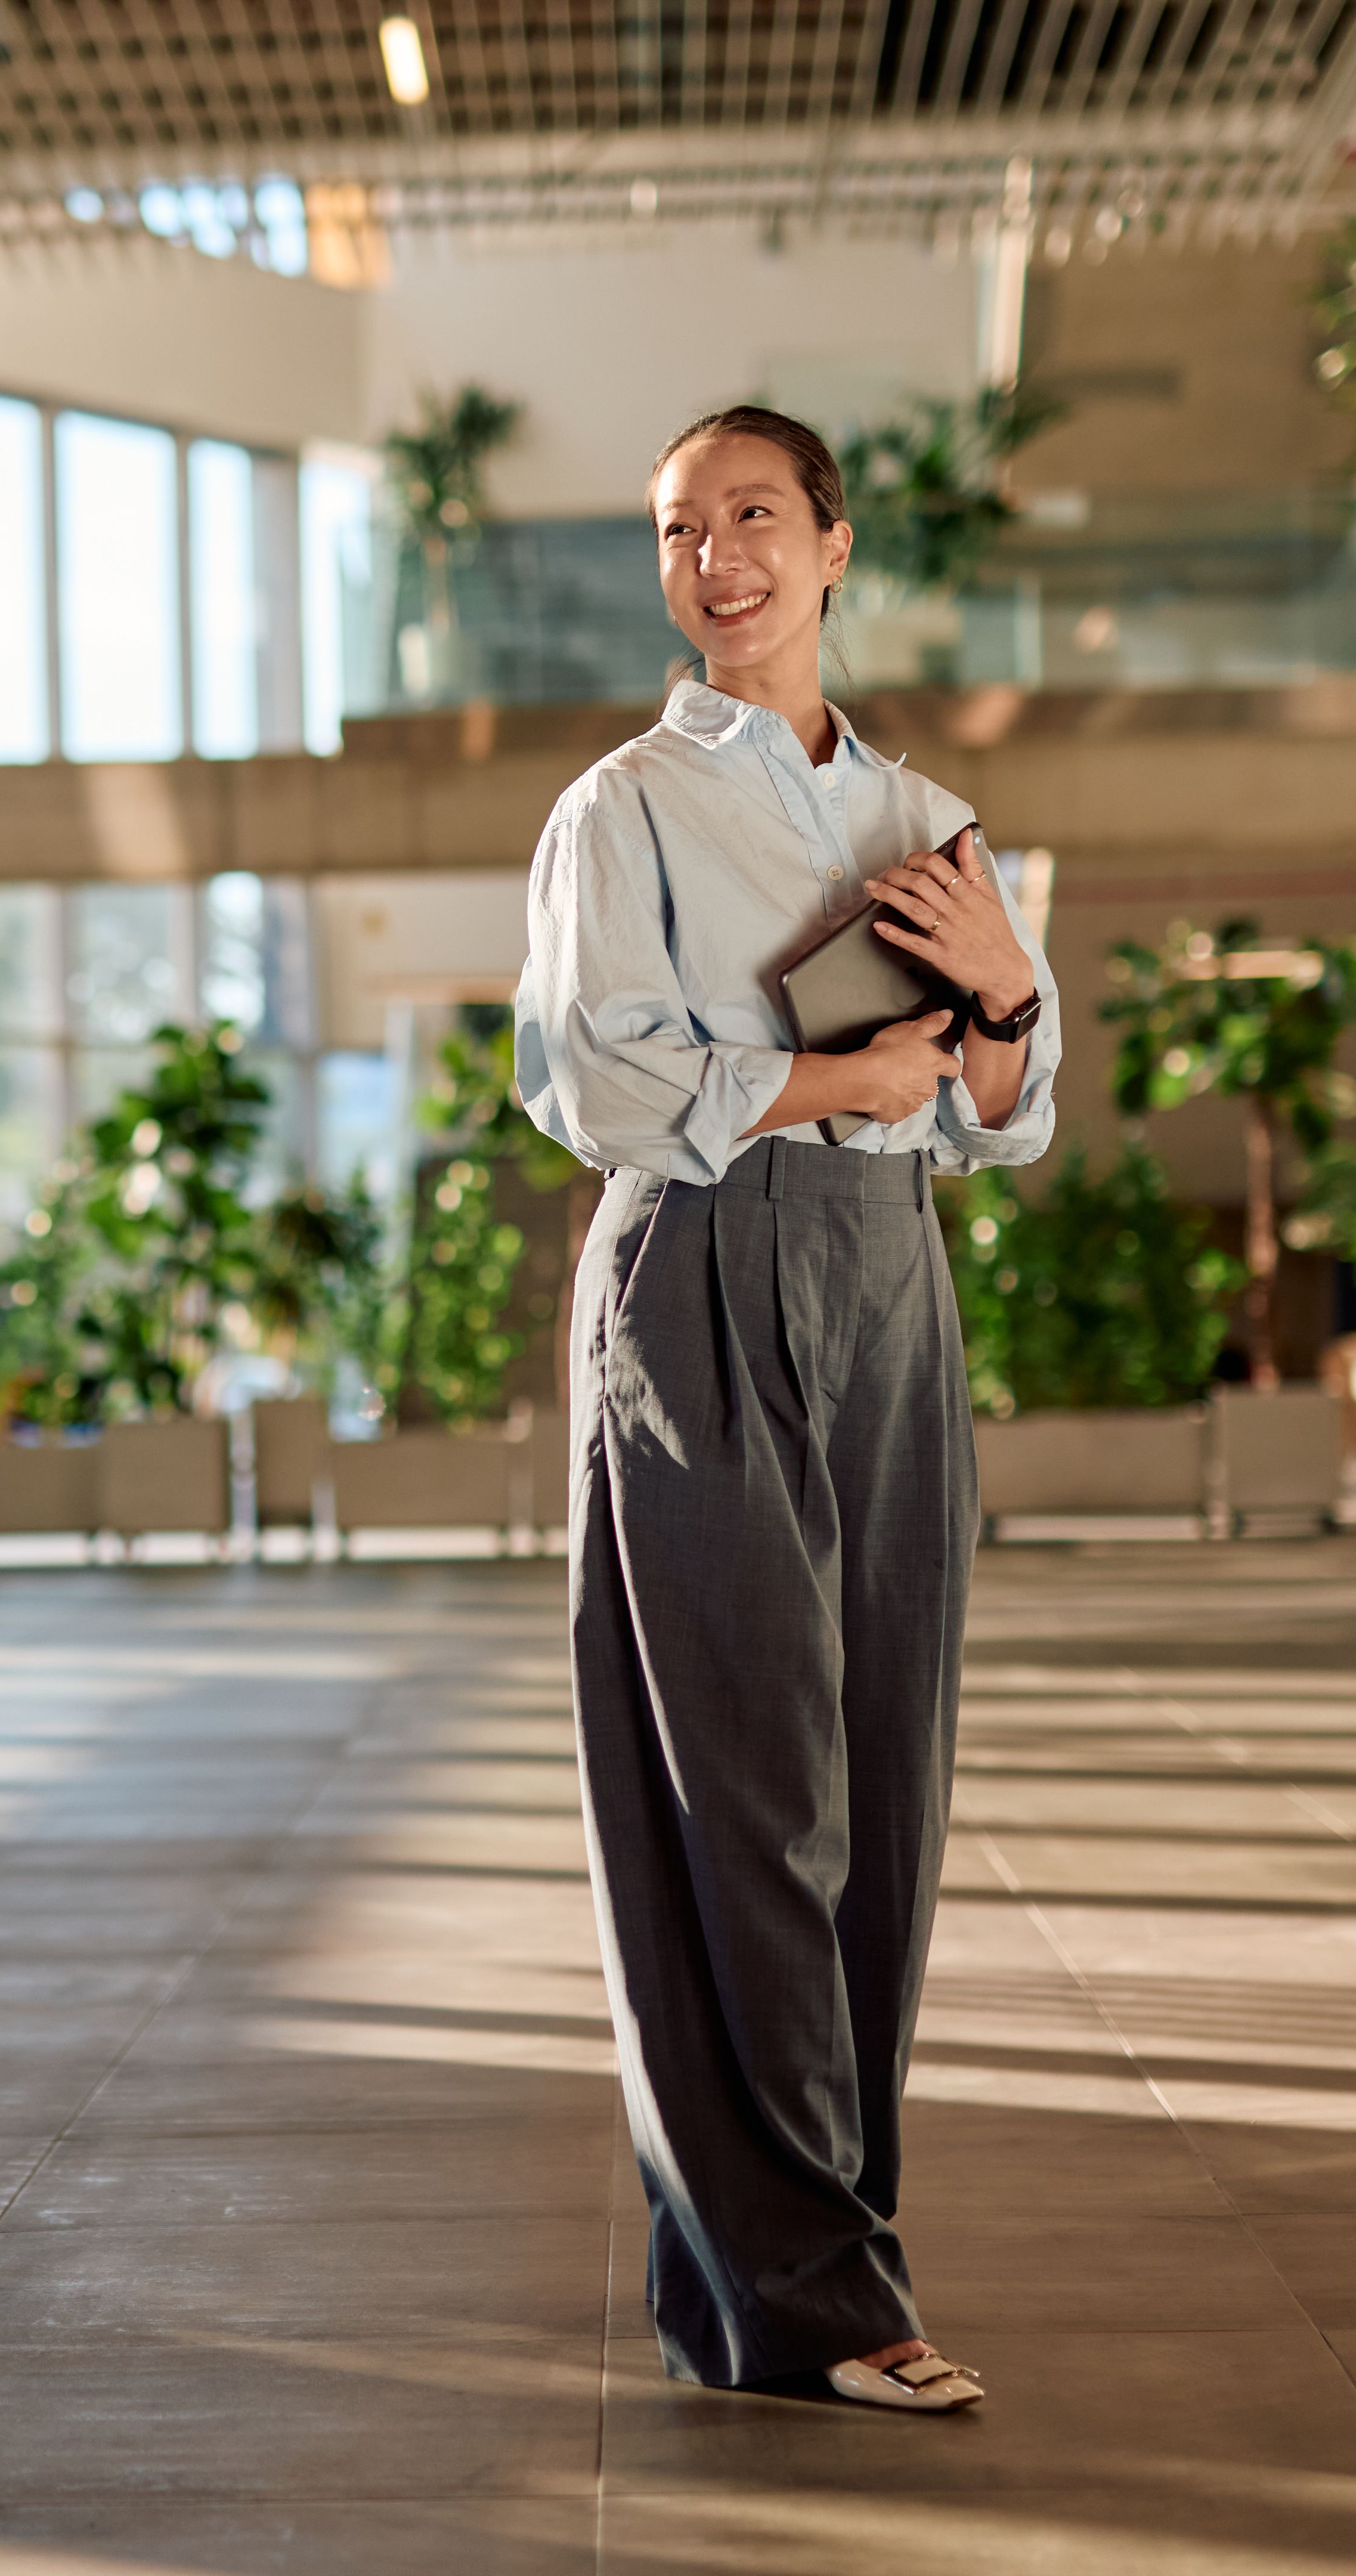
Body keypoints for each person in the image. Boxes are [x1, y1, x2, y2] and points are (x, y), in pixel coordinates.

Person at [512, 404, 1058, 2413]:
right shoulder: (624, 808)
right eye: (679, 529)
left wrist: (1000, 999)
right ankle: (824, 2298)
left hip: (892, 1284)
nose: (714, 557)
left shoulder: (925, 819)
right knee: (743, 1793)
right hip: (699, 1268)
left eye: (754, 518)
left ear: (836, 548)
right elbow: (592, 1073)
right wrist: (831, 1080)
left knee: (885, 1792)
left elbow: (1018, 1116)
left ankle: (781, 2279)